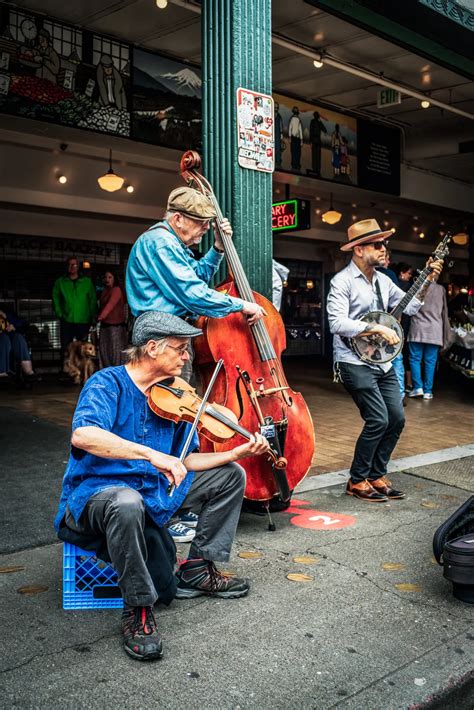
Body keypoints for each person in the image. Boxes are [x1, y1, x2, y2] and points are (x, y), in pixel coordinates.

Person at [54, 311, 269, 661]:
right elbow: (84, 434)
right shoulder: (107, 384)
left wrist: (238, 451)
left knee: (231, 475)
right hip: (99, 495)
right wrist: (152, 455)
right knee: (126, 502)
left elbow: (186, 461)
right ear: (152, 348)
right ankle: (138, 610)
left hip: (155, 492)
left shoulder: (174, 394)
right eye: (180, 349)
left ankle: (200, 567)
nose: (187, 357)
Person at [327, 219, 443, 502]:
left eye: (384, 244)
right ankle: (357, 479)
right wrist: (375, 328)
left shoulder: (383, 280)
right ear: (358, 250)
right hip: (352, 361)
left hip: (384, 361)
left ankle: (376, 474)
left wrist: (427, 280)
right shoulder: (341, 282)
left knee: (397, 418)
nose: (383, 250)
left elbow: (412, 305)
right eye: (377, 245)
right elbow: (335, 322)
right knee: (377, 418)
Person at [407, 277, 450, 400]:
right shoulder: (441, 289)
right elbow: (444, 311)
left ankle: (418, 387)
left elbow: (409, 307)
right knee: (430, 362)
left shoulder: (417, 286)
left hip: (418, 328)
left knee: (415, 359)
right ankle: (428, 391)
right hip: (435, 330)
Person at [52, 256, 97, 359]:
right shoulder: (60, 282)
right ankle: (66, 369)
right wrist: (60, 313)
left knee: (83, 347)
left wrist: (93, 315)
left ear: (78, 267)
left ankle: (83, 370)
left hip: (83, 320)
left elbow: (92, 300)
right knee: (66, 346)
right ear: (67, 266)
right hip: (67, 319)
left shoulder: (87, 282)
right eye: (70, 264)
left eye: (75, 264)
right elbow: (55, 298)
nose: (72, 267)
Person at [377, 250, 405, 401]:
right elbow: (399, 304)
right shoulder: (390, 275)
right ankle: (398, 395)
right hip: (389, 323)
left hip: (373, 326)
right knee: (396, 359)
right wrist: (397, 322)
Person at [97, 270, 128, 368]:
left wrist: (100, 317)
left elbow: (110, 305)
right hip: (105, 326)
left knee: (116, 353)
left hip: (116, 327)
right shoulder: (104, 291)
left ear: (114, 279)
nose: (107, 279)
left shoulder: (116, 290)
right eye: (105, 277)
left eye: (110, 277)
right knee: (105, 351)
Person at [0, 310, 38, 383]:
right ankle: (2, 371)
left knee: (18, 337)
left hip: (12, 341)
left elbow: (22, 324)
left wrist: (13, 325)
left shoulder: (8, 314)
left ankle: (28, 370)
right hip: (3, 341)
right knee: (4, 338)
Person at [288, 106, 303, 171]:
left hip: (294, 138)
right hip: (296, 138)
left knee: (294, 152)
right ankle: (296, 165)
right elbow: (300, 130)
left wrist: (290, 137)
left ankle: (295, 164)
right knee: (296, 152)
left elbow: (290, 129)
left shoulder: (292, 119)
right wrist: (301, 139)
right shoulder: (297, 119)